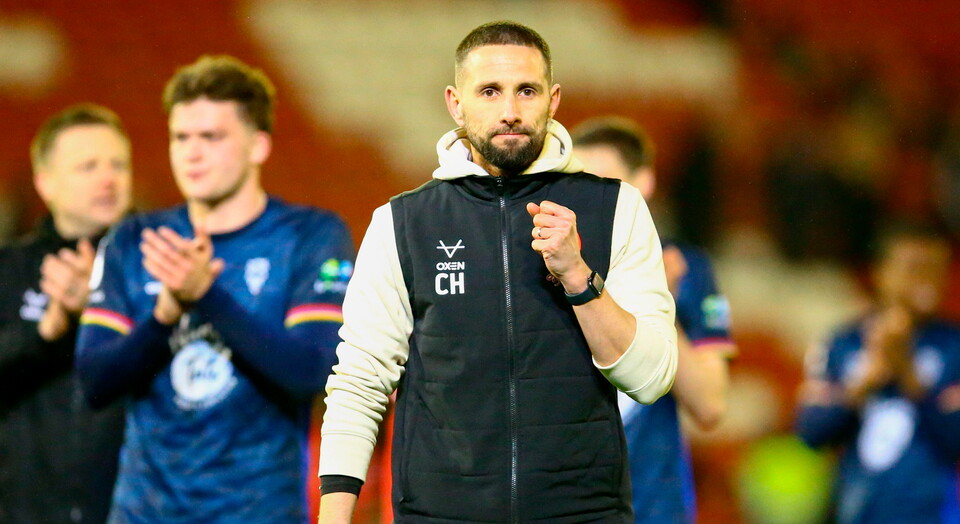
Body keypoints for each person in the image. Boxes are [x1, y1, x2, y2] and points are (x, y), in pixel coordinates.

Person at [318, 21, 678, 523]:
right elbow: (359, 381)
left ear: (553, 100)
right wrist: (334, 516)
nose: (510, 111)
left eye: (526, 91)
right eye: (490, 91)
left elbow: (651, 377)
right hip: (440, 515)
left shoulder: (614, 208)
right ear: (455, 103)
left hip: (582, 513)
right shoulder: (402, 222)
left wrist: (578, 276)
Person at [75, 55, 354, 523]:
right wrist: (164, 316)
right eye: (181, 137)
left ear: (258, 145)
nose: (192, 152)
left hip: (260, 512)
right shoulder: (132, 241)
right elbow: (94, 383)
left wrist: (208, 295)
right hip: (145, 513)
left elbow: (313, 371)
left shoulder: (310, 235)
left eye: (212, 137)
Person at [572, 117, 736, 523]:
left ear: (642, 183)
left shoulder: (687, 267)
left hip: (652, 506)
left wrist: (663, 304)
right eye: (576, 183)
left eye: (605, 182)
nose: (588, 198)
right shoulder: (547, 265)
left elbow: (710, 405)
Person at [0, 104, 130, 523]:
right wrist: (48, 330)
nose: (108, 177)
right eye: (87, 166)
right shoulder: (8, 270)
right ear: (45, 182)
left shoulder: (164, 271)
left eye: (118, 164)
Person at [796, 221, 960, 524]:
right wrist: (864, 383)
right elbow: (810, 432)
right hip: (859, 510)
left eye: (937, 269)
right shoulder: (842, 343)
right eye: (914, 268)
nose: (928, 281)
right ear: (880, 273)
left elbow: (955, 437)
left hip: (934, 513)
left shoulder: (954, 346)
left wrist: (908, 372)